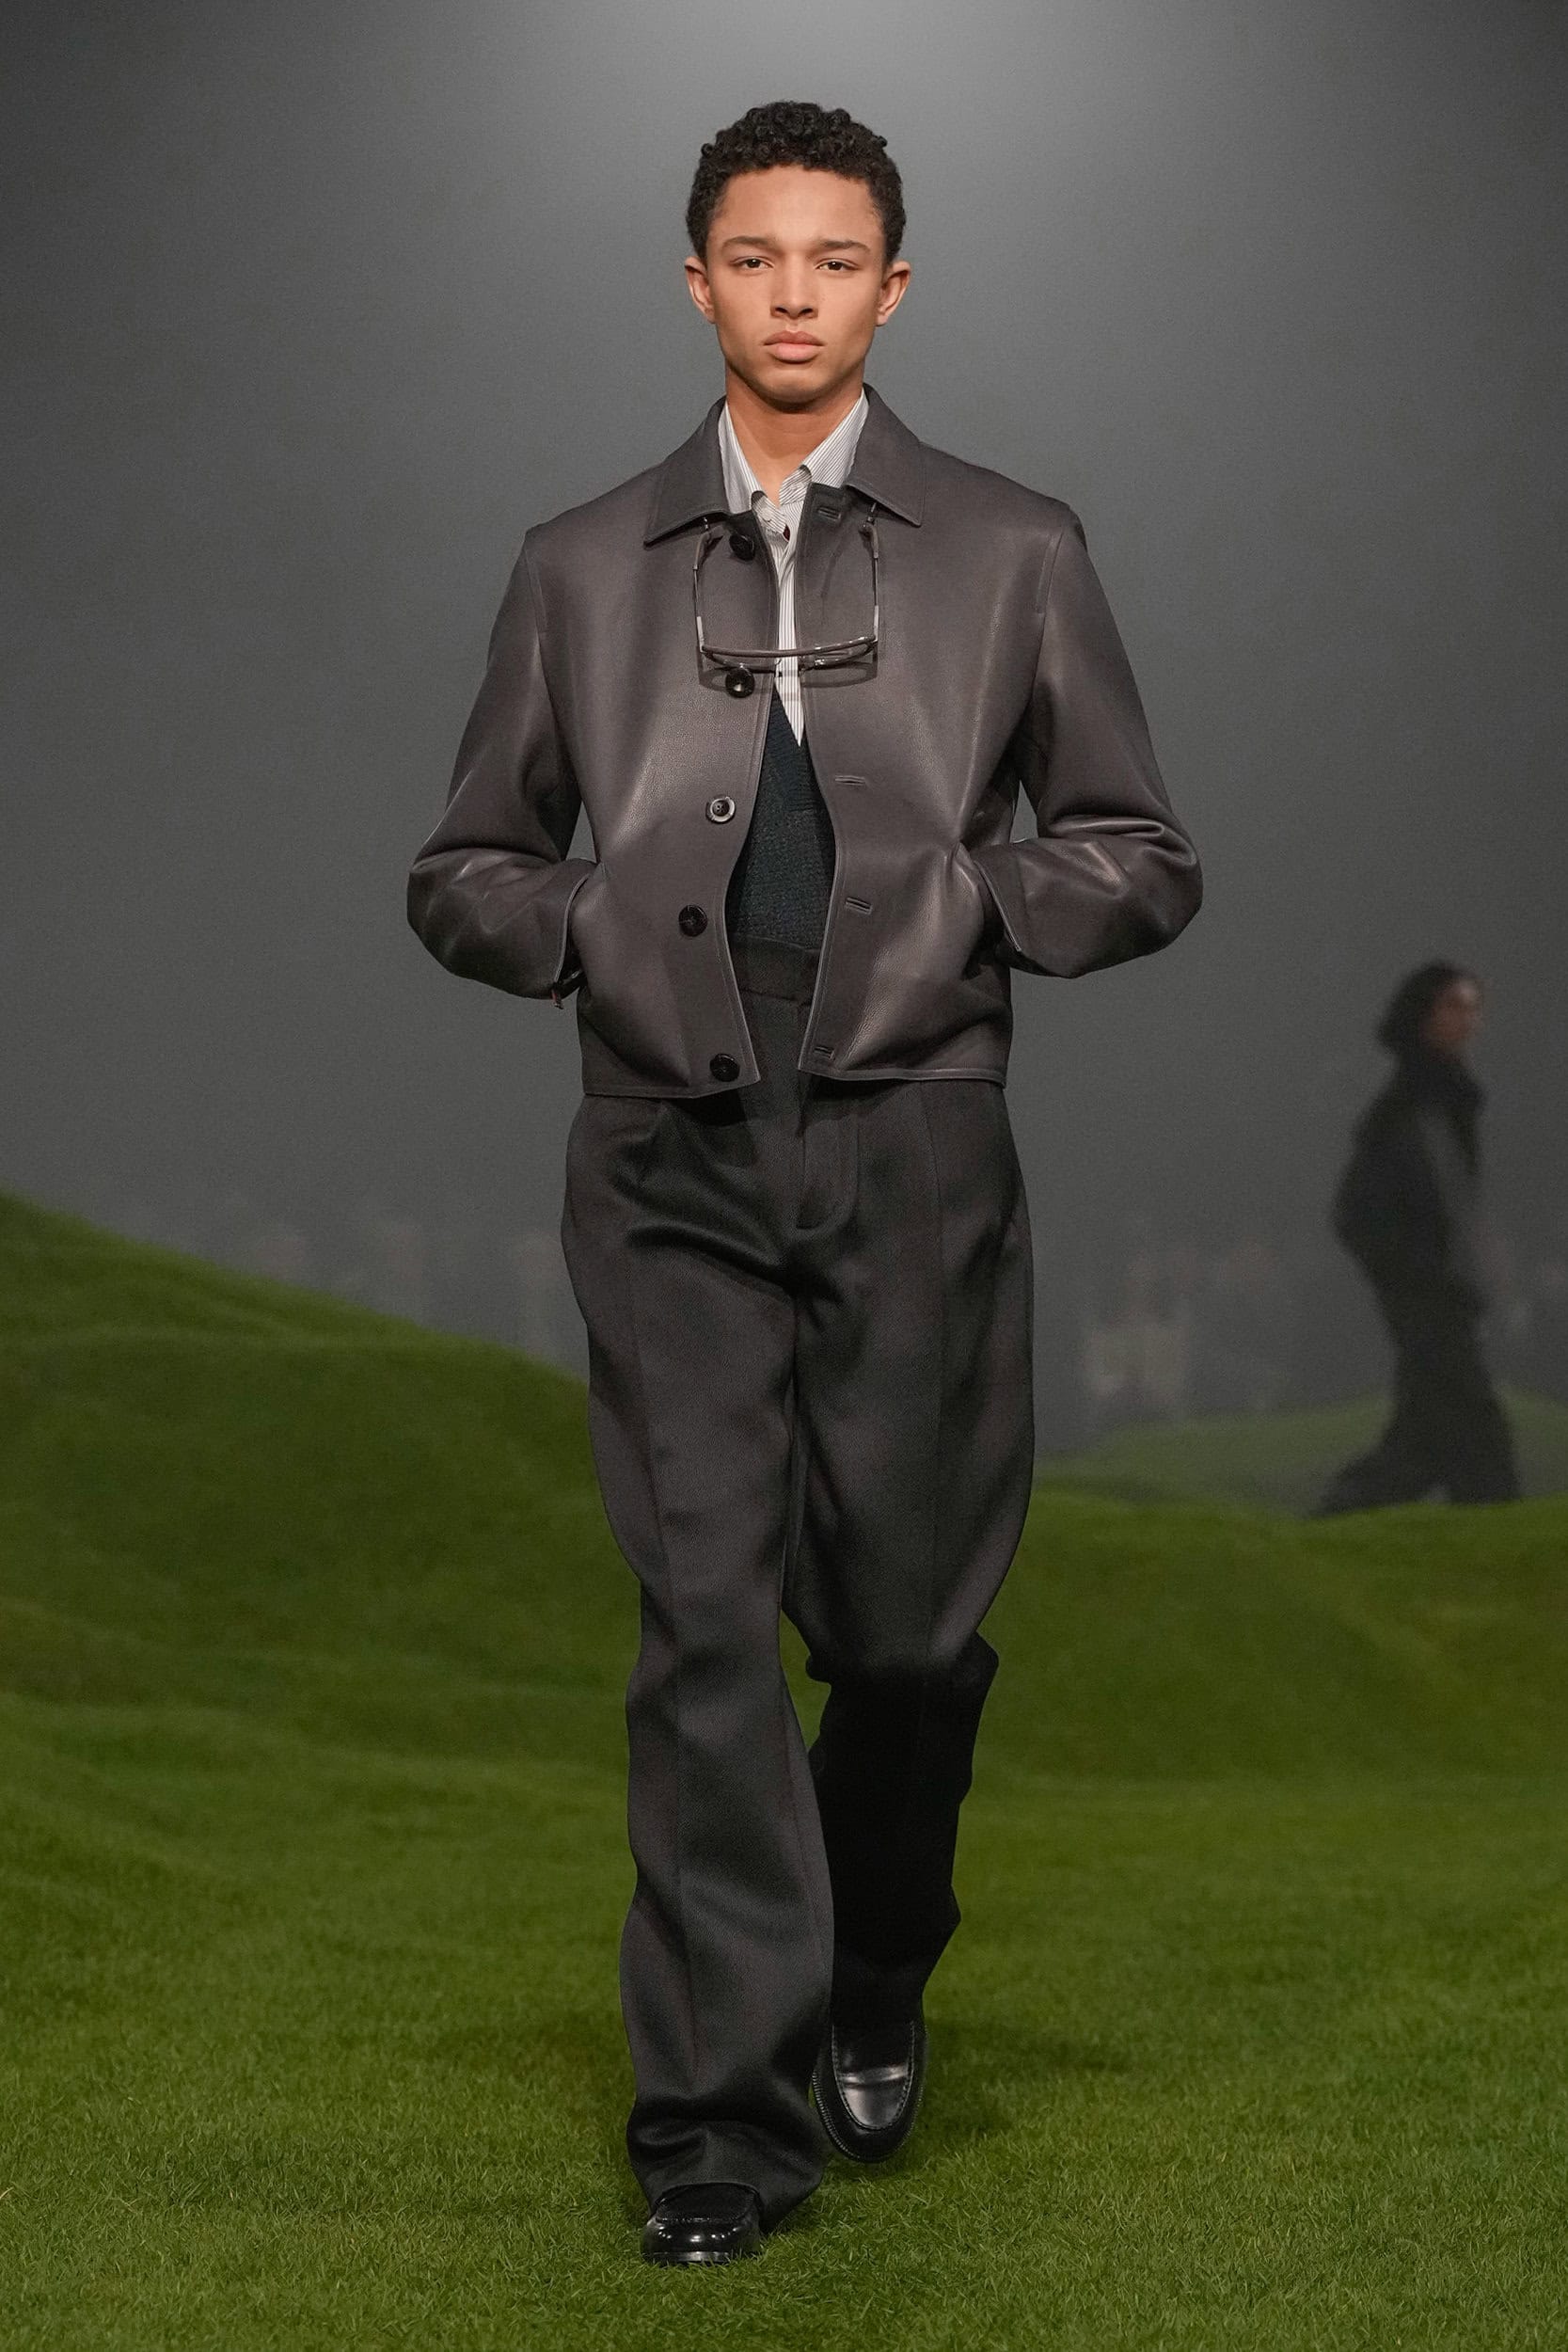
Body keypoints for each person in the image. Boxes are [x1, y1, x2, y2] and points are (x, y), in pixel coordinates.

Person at [406, 99, 1201, 2265]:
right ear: (695, 281)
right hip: (663, 1141)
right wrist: (582, 927)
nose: (790, 294)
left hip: (913, 1131)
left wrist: (962, 905)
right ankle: (716, 2129)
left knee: (905, 1640)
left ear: (891, 287)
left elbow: (1140, 850)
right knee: (701, 1630)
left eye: (832, 259)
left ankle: (871, 1965)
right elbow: (462, 865)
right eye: (751, 257)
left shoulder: (1011, 546)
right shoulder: (581, 561)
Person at [1316, 962, 1519, 1512]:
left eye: (1474, 1008)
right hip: (1428, 1300)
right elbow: (1357, 1213)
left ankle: (1334, 1523)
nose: (1469, 1020)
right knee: (1478, 1432)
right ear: (1423, 1014)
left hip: (1446, 1296)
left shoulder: (1450, 1103)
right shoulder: (1405, 1110)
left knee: (1423, 1443)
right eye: (1454, 1006)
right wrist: (1417, 1275)